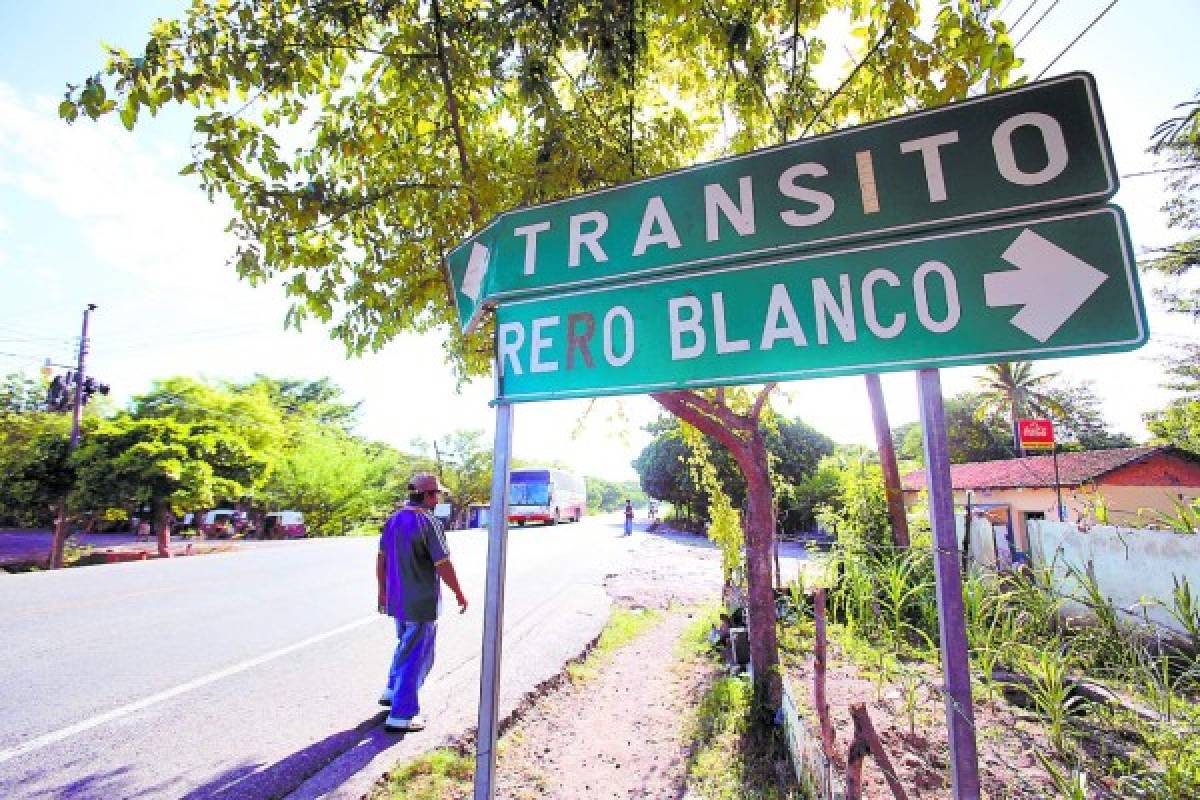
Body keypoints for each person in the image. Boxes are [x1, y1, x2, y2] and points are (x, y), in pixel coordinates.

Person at [376, 472, 468, 733]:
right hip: (421, 602)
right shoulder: (428, 523)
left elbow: (381, 559)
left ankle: (392, 690)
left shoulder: (393, 520)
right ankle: (401, 715)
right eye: (437, 493)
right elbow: (443, 564)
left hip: (397, 599)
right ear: (427, 495)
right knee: (416, 656)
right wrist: (459, 593)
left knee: (404, 645)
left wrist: (382, 591)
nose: (438, 498)